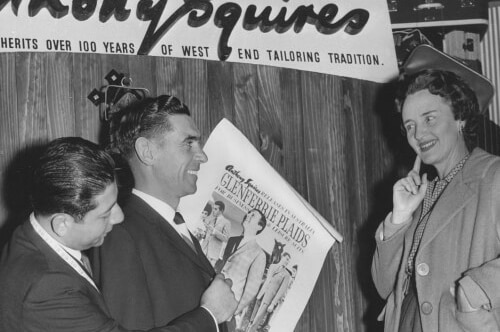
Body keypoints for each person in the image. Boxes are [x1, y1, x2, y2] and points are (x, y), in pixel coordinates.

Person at [0, 137, 235, 332]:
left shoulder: (31, 233)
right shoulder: (46, 286)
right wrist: (210, 314)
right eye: (105, 214)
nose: (119, 217)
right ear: (62, 224)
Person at [92, 95, 237, 331]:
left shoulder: (174, 225)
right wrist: (210, 315)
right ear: (147, 151)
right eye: (188, 143)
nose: (202, 156)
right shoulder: (120, 235)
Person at [371, 68, 500, 332]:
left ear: (459, 118)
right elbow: (384, 286)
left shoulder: (492, 176)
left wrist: (474, 292)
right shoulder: (419, 195)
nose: (418, 134)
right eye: (410, 126)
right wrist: (399, 218)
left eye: (429, 119)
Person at [218, 208, 268, 330]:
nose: (248, 215)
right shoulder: (232, 240)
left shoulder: (259, 254)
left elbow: (251, 289)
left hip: (228, 306)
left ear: (259, 227)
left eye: (253, 215)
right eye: (249, 213)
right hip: (212, 293)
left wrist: (234, 311)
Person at [248, 252, 292, 332]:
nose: (287, 262)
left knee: (257, 320)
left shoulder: (286, 275)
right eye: (287, 259)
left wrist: (273, 304)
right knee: (252, 318)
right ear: (282, 257)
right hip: (261, 295)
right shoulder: (272, 266)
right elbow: (267, 280)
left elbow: (281, 291)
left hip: (268, 300)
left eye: (289, 261)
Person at [203, 200, 232, 266]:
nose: (213, 210)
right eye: (213, 208)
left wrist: (214, 232)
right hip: (203, 250)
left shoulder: (226, 222)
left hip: (212, 255)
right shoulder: (211, 220)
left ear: (221, 210)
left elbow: (226, 239)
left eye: (215, 209)